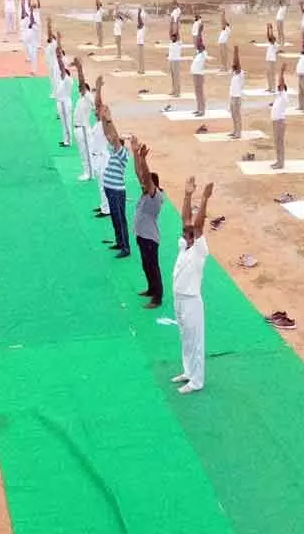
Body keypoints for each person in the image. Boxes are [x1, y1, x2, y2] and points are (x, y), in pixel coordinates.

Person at [172, 176, 214, 395]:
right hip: (178, 298)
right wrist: (187, 195)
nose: (186, 234)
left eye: (189, 235)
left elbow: (197, 224)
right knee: (185, 337)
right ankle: (188, 371)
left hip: (191, 301)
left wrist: (204, 199)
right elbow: (186, 220)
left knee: (195, 341)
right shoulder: (184, 246)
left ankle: (197, 380)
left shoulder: (199, 250)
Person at [131, 137, 165, 309]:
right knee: (146, 265)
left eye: (146, 183)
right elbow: (139, 173)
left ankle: (157, 297)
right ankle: (151, 289)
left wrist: (144, 160)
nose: (142, 184)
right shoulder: (146, 193)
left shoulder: (155, 197)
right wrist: (135, 154)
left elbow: (145, 176)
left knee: (153, 266)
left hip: (150, 238)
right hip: (142, 236)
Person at [98, 104, 131, 258]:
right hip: (110, 189)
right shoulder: (115, 151)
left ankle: (125, 247)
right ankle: (119, 241)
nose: (111, 141)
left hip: (117, 191)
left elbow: (114, 138)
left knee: (120, 218)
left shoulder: (122, 154)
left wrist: (110, 120)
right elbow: (107, 135)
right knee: (115, 218)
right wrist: (103, 119)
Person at [71, 58, 95, 180]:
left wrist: (79, 69)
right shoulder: (81, 98)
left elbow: (81, 82)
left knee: (87, 151)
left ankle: (90, 173)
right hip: (77, 129)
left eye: (81, 89)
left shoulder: (88, 97)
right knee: (82, 152)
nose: (79, 90)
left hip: (84, 129)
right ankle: (87, 171)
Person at [92, 76, 111, 218]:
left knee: (104, 185)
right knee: (100, 184)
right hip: (97, 157)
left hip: (103, 157)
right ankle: (103, 205)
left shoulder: (105, 124)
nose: (96, 111)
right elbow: (97, 104)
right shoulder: (98, 123)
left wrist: (99, 89)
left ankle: (107, 209)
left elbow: (98, 104)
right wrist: (98, 88)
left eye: (99, 111)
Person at [54, 34, 74, 148]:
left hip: (65, 103)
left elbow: (62, 67)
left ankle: (68, 141)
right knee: (63, 123)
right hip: (60, 103)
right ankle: (65, 139)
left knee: (67, 122)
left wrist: (58, 57)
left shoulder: (68, 81)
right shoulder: (63, 81)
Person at [271, 64, 289, 169]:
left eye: (280, 87)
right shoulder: (279, 96)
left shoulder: (284, 95)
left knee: (280, 143)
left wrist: (281, 72)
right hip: (276, 122)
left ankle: (280, 163)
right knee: (277, 143)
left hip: (279, 122)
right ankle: (278, 161)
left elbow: (281, 83)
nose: (278, 88)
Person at [228, 46, 246, 139]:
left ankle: (238, 133)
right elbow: (234, 63)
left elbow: (237, 63)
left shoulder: (240, 73)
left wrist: (236, 52)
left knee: (237, 115)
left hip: (237, 97)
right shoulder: (234, 73)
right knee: (233, 115)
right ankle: (235, 130)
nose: (233, 66)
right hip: (232, 96)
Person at [191, 28, 208, 117]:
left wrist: (200, 33)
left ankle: (202, 110)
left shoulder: (204, 53)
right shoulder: (198, 53)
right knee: (197, 92)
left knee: (200, 93)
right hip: (195, 74)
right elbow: (198, 42)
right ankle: (198, 109)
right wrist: (198, 34)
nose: (199, 46)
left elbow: (200, 42)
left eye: (200, 46)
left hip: (199, 75)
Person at [168, 23, 183, 97]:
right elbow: (170, 32)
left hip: (176, 61)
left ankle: (177, 92)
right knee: (173, 77)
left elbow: (178, 34)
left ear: (176, 38)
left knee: (176, 77)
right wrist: (171, 24)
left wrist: (176, 24)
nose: (173, 38)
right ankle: (174, 90)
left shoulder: (179, 43)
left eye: (174, 37)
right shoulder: (171, 42)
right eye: (172, 37)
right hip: (171, 61)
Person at [265, 23, 278, 92]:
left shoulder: (274, 44)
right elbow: (268, 36)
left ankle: (273, 88)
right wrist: (267, 29)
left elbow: (271, 37)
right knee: (268, 74)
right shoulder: (270, 43)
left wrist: (271, 29)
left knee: (272, 74)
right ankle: (270, 87)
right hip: (268, 60)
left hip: (272, 60)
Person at [136, 7, 147, 74]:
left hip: (141, 44)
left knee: (141, 58)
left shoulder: (142, 27)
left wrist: (138, 13)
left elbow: (139, 21)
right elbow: (139, 21)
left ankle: (142, 70)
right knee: (140, 59)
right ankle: (140, 70)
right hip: (139, 44)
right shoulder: (140, 28)